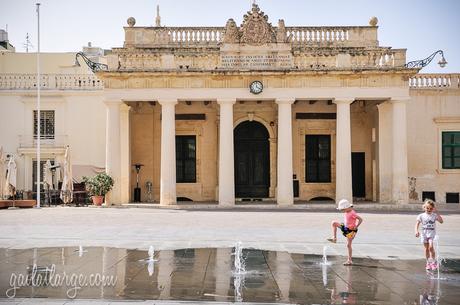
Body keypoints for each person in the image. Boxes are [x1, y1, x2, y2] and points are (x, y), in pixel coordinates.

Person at [327, 199, 363, 266]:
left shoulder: (352, 213)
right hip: (346, 228)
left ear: (346, 207)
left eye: (343, 209)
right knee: (333, 223)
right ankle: (334, 238)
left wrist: (357, 226)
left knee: (348, 245)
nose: (342, 211)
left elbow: (360, 219)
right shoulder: (347, 212)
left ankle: (349, 260)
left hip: (351, 232)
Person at [415, 199, 444, 271]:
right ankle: (428, 262)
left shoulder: (434, 215)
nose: (429, 209)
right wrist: (416, 231)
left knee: (431, 247)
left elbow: (441, 221)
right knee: (426, 249)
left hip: (431, 234)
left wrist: (437, 212)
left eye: (431, 208)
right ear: (424, 207)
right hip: (424, 234)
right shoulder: (421, 216)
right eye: (427, 208)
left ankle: (433, 262)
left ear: (433, 209)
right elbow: (417, 224)